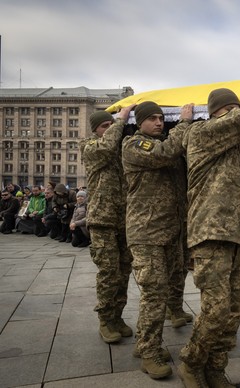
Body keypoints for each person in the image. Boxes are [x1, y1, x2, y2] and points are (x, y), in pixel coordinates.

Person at [176, 73, 240, 388]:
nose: (235, 115)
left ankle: (215, 367)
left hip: (237, 236)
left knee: (234, 309)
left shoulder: (237, 147)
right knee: (216, 307)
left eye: (237, 108)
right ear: (219, 113)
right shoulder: (202, 133)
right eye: (230, 110)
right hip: (211, 232)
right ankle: (192, 363)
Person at [122, 101, 191, 380]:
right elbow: (165, 153)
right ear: (140, 123)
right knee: (154, 293)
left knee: (166, 289)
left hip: (170, 232)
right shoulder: (134, 145)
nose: (159, 122)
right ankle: (149, 351)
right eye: (152, 118)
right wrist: (184, 123)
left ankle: (144, 342)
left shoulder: (166, 144)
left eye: (162, 118)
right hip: (146, 233)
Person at [80, 108, 134, 345]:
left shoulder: (121, 147)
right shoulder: (89, 146)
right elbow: (105, 148)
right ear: (95, 130)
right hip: (102, 220)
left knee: (123, 271)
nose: (111, 129)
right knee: (108, 271)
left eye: (111, 125)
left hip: (123, 219)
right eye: (106, 126)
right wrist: (120, 121)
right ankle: (105, 320)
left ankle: (117, 316)